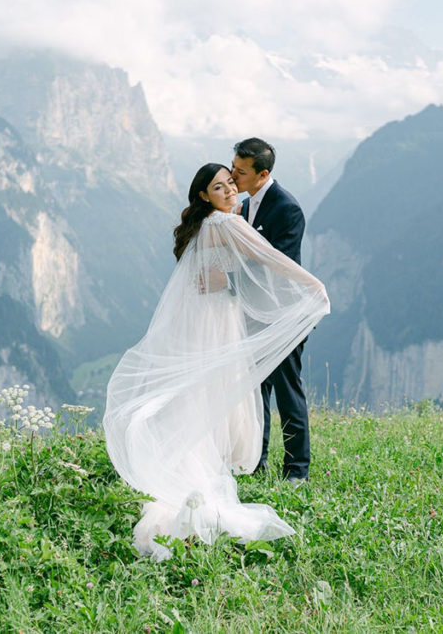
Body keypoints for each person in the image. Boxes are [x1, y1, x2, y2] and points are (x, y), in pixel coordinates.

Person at [103, 162, 330, 560]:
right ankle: (204, 477)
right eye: (219, 187)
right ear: (204, 194)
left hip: (202, 320)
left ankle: (193, 462)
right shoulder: (225, 225)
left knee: (202, 393)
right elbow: (271, 257)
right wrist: (313, 284)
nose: (229, 192)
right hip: (219, 321)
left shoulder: (204, 224)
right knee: (219, 392)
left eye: (231, 184)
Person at [231, 138, 311, 483]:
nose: (234, 176)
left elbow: (276, 263)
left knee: (287, 390)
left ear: (262, 174)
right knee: (255, 390)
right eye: (233, 168)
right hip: (253, 314)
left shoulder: (287, 208)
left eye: (241, 172)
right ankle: (255, 461)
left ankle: (296, 470)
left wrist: (229, 275)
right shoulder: (246, 206)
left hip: (285, 315)